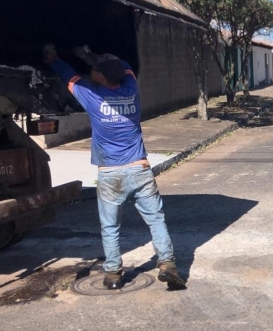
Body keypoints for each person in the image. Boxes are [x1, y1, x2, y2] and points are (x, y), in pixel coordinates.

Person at [43, 44, 185, 290]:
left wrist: (54, 58)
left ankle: (113, 275)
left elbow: (69, 77)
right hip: (139, 169)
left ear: (101, 77)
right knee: (156, 220)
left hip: (110, 173)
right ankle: (168, 265)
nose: (91, 71)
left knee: (110, 226)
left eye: (94, 70)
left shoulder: (92, 95)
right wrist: (99, 57)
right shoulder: (131, 89)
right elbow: (127, 68)